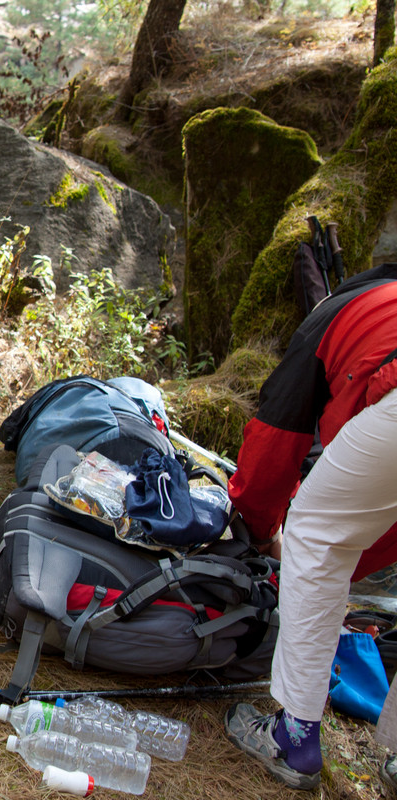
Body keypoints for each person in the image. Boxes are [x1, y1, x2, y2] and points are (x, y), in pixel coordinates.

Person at [223, 262, 397, 791]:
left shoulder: (329, 318)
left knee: (315, 533)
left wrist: (268, 534)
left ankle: (292, 736)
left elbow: (273, 446)